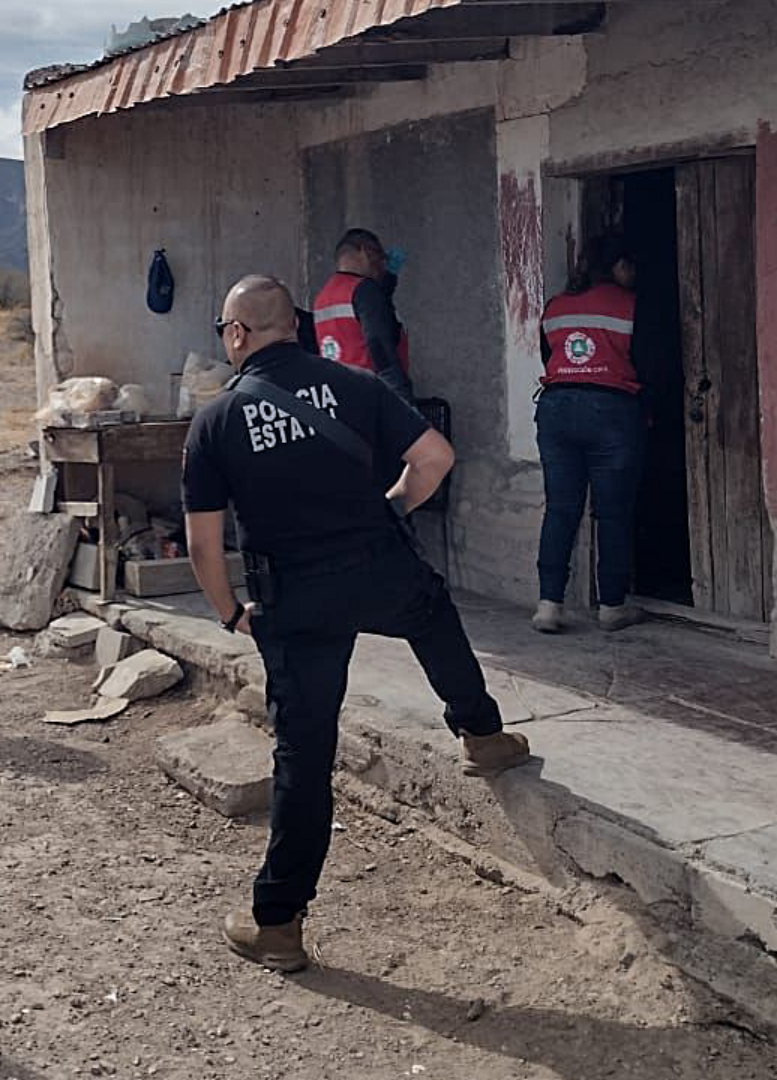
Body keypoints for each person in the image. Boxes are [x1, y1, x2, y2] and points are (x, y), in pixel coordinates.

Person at [184, 275, 531, 974]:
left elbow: (201, 543)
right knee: (432, 614)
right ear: (295, 326)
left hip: (294, 600)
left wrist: (229, 613)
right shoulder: (357, 385)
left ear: (238, 334)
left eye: (224, 329)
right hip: (378, 566)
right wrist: (392, 508)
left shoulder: (216, 419)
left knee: (303, 756)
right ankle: (482, 735)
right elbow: (435, 459)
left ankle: (278, 924)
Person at [533, 237, 646, 634]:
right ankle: (612, 605)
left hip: (556, 407)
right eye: (629, 265)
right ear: (616, 266)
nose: (633, 274)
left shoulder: (556, 306)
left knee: (561, 508)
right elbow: (646, 362)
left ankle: (549, 605)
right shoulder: (631, 304)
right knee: (612, 512)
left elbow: (548, 356)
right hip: (611, 409)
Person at [311, 228, 416, 404]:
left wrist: (389, 281)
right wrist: (403, 401)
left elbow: (364, 322)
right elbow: (380, 346)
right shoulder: (364, 290)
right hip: (373, 396)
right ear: (366, 251)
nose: (382, 265)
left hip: (339, 398)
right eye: (381, 258)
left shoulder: (323, 297)